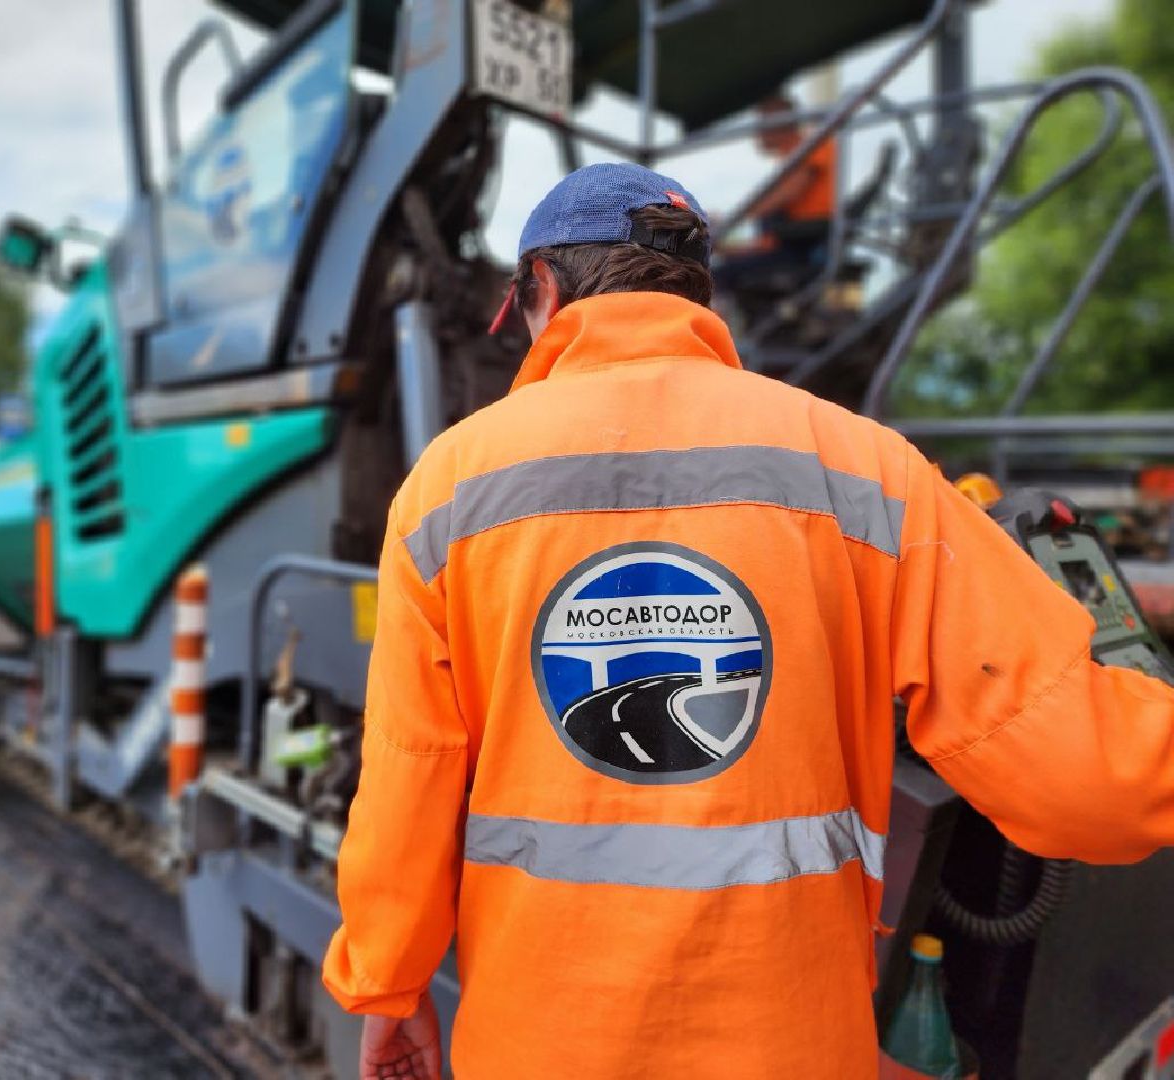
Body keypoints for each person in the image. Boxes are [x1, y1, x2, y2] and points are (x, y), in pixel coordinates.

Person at [321, 161, 1174, 1077]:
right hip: (791, 1044)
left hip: (542, 1041)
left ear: (543, 289)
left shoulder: (450, 489)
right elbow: (1092, 778)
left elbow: (408, 784)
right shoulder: (863, 469)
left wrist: (389, 986)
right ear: (698, 293)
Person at [716, 92, 838, 298]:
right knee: (722, 265)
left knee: (716, 276)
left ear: (780, 124)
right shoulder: (792, 158)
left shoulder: (812, 147)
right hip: (790, 243)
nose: (757, 131)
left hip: (801, 247)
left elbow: (790, 192)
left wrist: (738, 217)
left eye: (762, 123)